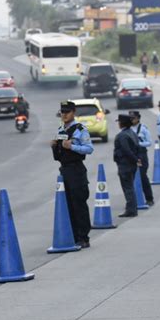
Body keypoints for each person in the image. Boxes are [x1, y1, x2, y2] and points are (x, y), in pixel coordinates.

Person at [51, 101, 94, 248]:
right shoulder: (61, 129)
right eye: (62, 112)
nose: (64, 114)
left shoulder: (80, 129)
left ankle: (83, 237)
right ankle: (74, 236)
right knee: (68, 204)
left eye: (67, 112)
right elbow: (59, 153)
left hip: (76, 170)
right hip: (65, 171)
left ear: (74, 112)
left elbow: (89, 149)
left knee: (79, 204)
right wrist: (54, 146)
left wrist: (72, 146)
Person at [114, 114, 141, 217]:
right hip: (131, 164)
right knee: (130, 186)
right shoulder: (132, 133)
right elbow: (137, 148)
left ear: (122, 123)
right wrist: (137, 159)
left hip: (125, 164)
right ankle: (132, 208)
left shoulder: (122, 136)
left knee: (127, 187)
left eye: (119, 122)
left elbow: (126, 150)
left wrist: (135, 159)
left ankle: (131, 210)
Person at [129, 111, 154, 206]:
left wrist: (138, 144)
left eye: (133, 118)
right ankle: (134, 200)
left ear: (138, 118)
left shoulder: (143, 129)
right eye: (130, 118)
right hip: (132, 155)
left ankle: (149, 198)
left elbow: (149, 142)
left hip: (141, 154)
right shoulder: (128, 129)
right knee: (131, 178)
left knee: (143, 177)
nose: (131, 120)